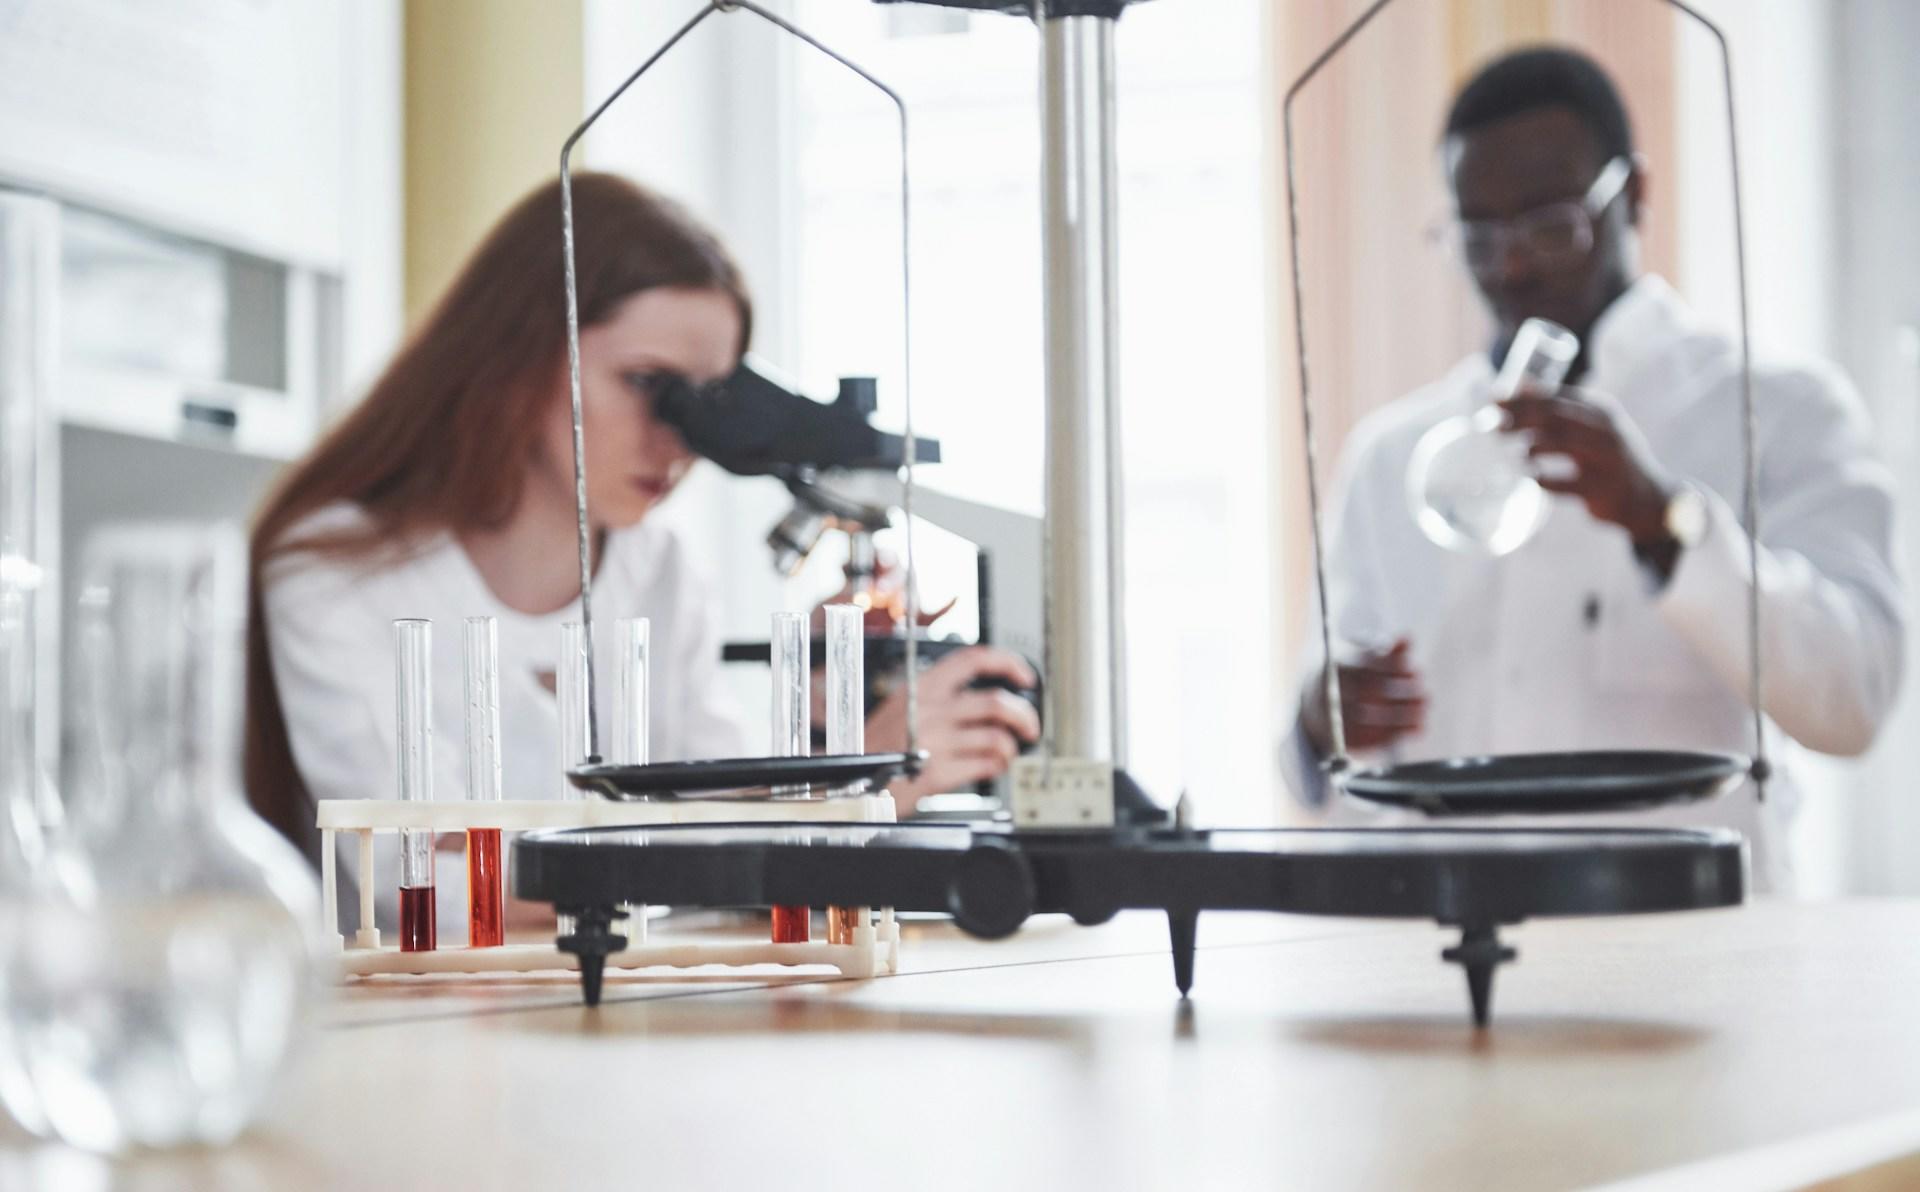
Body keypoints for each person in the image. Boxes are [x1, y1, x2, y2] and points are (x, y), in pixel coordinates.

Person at [244, 172, 1039, 929]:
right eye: (648, 384)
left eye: (705, 404)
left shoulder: (659, 571)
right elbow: (425, 888)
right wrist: (840, 798)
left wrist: (832, 755)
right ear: (517, 353)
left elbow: (716, 838)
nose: (678, 439)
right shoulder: (331, 573)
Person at [1287, 47, 1905, 889]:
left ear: (1635, 196)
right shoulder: (1393, 455)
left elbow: (1854, 699)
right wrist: (1319, 720)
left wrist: (1666, 524)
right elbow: (1314, 750)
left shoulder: (1777, 410)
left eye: (1550, 227)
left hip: (1688, 968)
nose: (1510, 266)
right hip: (1434, 962)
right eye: (1479, 236)